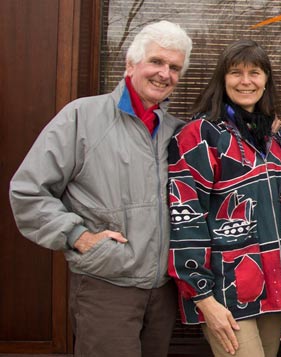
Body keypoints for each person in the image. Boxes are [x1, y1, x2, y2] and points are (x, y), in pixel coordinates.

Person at [8, 21, 192, 357]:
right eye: (156, 62)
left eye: (174, 67)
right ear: (130, 63)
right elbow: (28, 192)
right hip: (106, 285)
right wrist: (78, 236)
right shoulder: (82, 117)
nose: (164, 74)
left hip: (163, 291)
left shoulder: (176, 132)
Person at [167, 39, 281, 357]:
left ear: (266, 80)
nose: (246, 81)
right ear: (222, 79)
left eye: (255, 72)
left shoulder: (279, 142)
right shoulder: (200, 135)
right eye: (236, 72)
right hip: (225, 290)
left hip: (274, 285)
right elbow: (185, 216)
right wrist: (202, 295)